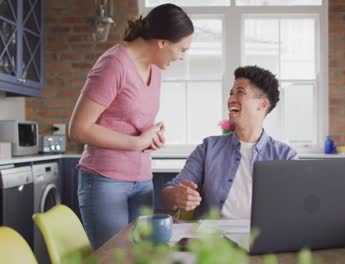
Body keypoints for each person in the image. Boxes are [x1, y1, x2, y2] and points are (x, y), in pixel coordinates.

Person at [68, 4, 193, 249]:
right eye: (181, 49)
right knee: (114, 257)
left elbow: (132, 123)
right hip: (106, 181)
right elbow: (79, 128)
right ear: (162, 42)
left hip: (142, 180)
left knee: (143, 255)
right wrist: (137, 142)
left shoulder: (155, 69)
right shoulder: (114, 64)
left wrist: (152, 137)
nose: (182, 57)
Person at [161, 66, 298, 220]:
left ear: (262, 104)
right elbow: (168, 194)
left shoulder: (285, 156)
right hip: (215, 240)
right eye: (231, 93)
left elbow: (295, 207)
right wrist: (175, 196)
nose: (231, 99)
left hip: (263, 239)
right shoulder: (209, 148)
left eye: (240, 92)